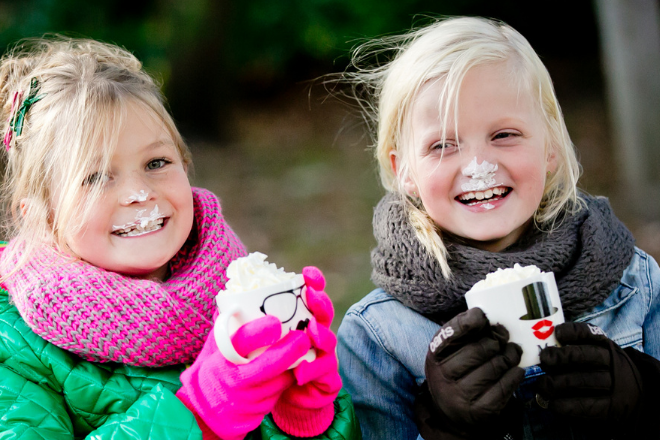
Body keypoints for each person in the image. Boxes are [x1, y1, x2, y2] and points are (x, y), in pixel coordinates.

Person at [0, 36, 360, 440]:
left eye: (156, 162)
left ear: (185, 167)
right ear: (41, 215)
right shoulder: (13, 347)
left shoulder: (240, 294)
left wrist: (306, 417)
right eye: (97, 176)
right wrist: (199, 415)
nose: (139, 192)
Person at [336, 16, 660, 440]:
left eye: (504, 134)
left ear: (550, 148)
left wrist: (645, 398)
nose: (478, 167)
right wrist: (447, 428)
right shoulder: (376, 337)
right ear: (404, 172)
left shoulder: (636, 282)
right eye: (443, 145)